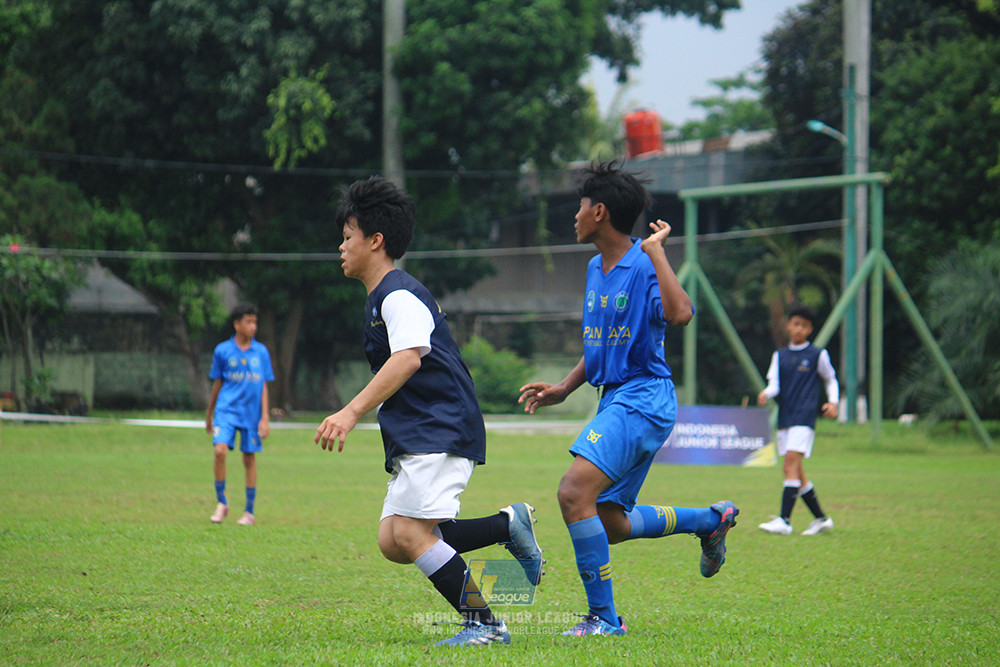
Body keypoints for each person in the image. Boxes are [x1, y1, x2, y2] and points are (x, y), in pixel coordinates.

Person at [315, 176, 544, 648]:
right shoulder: (382, 297)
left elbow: (408, 359)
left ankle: (484, 625)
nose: (341, 246)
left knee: (410, 532)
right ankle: (507, 525)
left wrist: (350, 412)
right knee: (393, 540)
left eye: (348, 236)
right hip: (421, 426)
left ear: (375, 240)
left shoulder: (397, 295)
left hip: (440, 424)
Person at [517, 161, 739, 637]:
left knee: (573, 492)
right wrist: (564, 387)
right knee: (610, 522)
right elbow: (601, 342)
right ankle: (710, 521)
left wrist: (657, 253)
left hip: (642, 396)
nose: (575, 215)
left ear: (599, 212)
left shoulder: (642, 262)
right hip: (617, 398)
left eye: (580, 206)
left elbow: (681, 313)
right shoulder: (595, 267)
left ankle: (603, 618)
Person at [756, 304, 839, 536]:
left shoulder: (817, 355)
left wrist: (833, 402)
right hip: (785, 418)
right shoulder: (779, 356)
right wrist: (766, 393)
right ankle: (822, 519)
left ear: (810, 329)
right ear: (788, 326)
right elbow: (774, 384)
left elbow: (830, 378)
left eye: (804, 325)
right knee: (797, 472)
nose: (799, 329)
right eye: (796, 324)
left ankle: (785, 521)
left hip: (804, 417)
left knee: (789, 465)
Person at [206, 302, 275, 526]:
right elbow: (217, 383)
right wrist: (209, 413)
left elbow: (263, 386)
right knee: (220, 451)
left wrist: (265, 418)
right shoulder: (222, 350)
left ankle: (249, 511)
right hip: (226, 410)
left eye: (255, 322)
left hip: (251, 414)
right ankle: (221, 502)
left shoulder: (261, 352)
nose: (253, 326)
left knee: (249, 457)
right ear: (237, 324)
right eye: (248, 322)